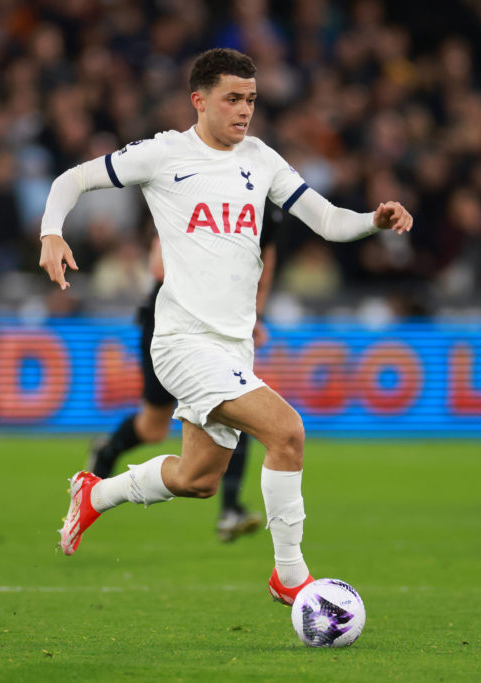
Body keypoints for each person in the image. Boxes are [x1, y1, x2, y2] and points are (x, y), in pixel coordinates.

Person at [38, 48, 412, 605]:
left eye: (252, 100)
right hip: (182, 341)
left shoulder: (261, 159)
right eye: (233, 99)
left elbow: (329, 221)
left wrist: (372, 222)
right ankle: (290, 576)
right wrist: (51, 231)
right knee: (287, 433)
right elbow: (74, 178)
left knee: (198, 479)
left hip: (234, 347)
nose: (244, 111)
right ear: (200, 100)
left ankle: (97, 493)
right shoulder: (164, 154)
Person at [87, 205, 280, 542]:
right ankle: (107, 452)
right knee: (152, 427)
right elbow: (158, 266)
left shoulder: (266, 207)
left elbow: (266, 261)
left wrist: (254, 314)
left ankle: (230, 509)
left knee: (239, 405)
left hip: (220, 325)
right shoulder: (187, 192)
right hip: (169, 321)